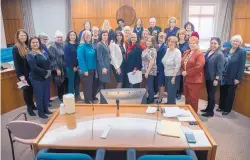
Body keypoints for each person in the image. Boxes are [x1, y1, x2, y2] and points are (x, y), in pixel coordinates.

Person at [218, 35, 246, 115]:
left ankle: (227, 109)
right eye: (234, 41)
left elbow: (242, 66)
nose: (235, 42)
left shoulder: (242, 52)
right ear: (231, 42)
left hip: (233, 76)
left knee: (230, 94)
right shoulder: (226, 50)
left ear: (240, 43)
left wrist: (238, 78)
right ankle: (221, 106)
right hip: (223, 75)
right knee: (222, 92)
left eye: (237, 41)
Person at [26, 37, 52, 119]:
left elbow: (48, 61)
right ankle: (41, 112)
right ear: (30, 44)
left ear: (39, 43)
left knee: (46, 94)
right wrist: (46, 72)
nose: (35, 44)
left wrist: (49, 70)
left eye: (36, 42)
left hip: (46, 77)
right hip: (36, 78)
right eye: (33, 42)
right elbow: (34, 68)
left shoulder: (43, 51)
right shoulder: (30, 54)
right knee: (39, 95)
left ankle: (46, 109)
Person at [12, 29, 36, 116]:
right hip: (23, 74)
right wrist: (21, 76)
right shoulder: (16, 48)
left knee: (31, 89)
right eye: (21, 35)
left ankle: (32, 105)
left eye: (24, 35)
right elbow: (16, 63)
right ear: (18, 36)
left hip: (30, 72)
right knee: (27, 90)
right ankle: (29, 108)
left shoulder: (27, 45)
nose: (23, 37)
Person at [201, 37, 225, 117]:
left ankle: (210, 112)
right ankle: (208, 108)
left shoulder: (220, 54)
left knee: (212, 95)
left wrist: (216, 79)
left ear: (219, 45)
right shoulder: (208, 51)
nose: (213, 45)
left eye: (215, 43)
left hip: (214, 78)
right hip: (208, 77)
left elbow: (220, 68)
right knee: (209, 94)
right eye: (212, 43)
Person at [181, 36, 205, 112]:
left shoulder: (199, 53)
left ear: (197, 44)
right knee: (187, 97)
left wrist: (187, 72)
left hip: (195, 80)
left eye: (193, 43)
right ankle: (187, 112)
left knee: (193, 99)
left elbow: (199, 67)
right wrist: (183, 71)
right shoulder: (186, 52)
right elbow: (182, 63)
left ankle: (194, 115)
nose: (191, 45)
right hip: (186, 79)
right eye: (190, 43)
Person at [77, 30, 98, 103]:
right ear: (83, 37)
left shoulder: (91, 45)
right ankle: (88, 101)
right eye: (87, 36)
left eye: (89, 35)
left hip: (92, 68)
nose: (88, 37)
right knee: (87, 87)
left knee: (91, 85)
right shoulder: (81, 46)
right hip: (86, 70)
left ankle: (90, 98)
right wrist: (84, 70)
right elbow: (81, 59)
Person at [162, 36, 182, 104]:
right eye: (169, 41)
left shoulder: (177, 52)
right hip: (167, 74)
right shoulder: (167, 50)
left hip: (174, 76)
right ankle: (169, 104)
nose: (171, 43)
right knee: (169, 93)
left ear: (176, 43)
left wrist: (174, 77)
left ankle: (171, 107)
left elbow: (178, 65)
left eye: (173, 42)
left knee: (172, 93)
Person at [64, 31, 82, 102]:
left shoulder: (78, 45)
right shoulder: (66, 45)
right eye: (71, 35)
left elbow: (79, 56)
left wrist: (78, 66)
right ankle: (70, 98)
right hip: (70, 67)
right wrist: (73, 66)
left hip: (78, 67)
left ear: (76, 36)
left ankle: (77, 96)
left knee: (77, 81)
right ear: (68, 36)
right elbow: (67, 57)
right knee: (71, 83)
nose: (72, 36)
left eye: (74, 35)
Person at [49, 30, 67, 102]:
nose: (60, 38)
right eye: (58, 37)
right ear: (55, 38)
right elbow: (52, 59)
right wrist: (57, 69)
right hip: (58, 68)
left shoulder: (64, 44)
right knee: (60, 83)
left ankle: (66, 95)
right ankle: (61, 96)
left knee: (65, 82)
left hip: (65, 67)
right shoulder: (52, 47)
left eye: (61, 37)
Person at [141, 36, 158, 104]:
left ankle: (151, 99)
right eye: (147, 41)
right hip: (144, 69)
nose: (148, 42)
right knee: (147, 84)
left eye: (150, 41)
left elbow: (152, 62)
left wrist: (147, 72)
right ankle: (149, 96)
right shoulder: (146, 49)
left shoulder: (152, 50)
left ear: (152, 42)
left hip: (150, 70)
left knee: (150, 84)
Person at [38, 33, 52, 106]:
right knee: (44, 87)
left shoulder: (45, 46)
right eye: (44, 39)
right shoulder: (39, 47)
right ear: (40, 39)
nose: (45, 40)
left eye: (46, 39)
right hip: (43, 70)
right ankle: (45, 102)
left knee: (47, 86)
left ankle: (47, 100)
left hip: (48, 69)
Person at [176, 28, 190, 99]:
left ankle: (180, 93)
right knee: (175, 78)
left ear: (185, 35)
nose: (181, 35)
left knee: (181, 79)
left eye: (183, 34)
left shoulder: (187, 44)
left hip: (183, 64)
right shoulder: (176, 43)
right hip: (175, 63)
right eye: (180, 34)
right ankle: (175, 91)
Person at [156, 32, 167, 103]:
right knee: (158, 83)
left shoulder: (165, 47)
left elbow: (163, 59)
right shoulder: (158, 45)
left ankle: (160, 98)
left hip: (161, 68)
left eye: (162, 38)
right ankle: (159, 95)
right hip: (157, 67)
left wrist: (158, 67)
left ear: (165, 39)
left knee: (161, 83)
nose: (160, 39)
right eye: (159, 37)